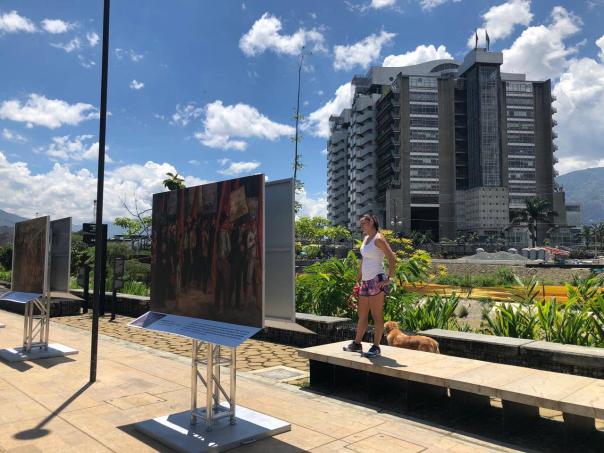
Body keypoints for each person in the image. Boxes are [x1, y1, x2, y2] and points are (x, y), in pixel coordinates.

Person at [343, 214, 397, 357]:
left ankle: (376, 347)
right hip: (365, 282)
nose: (361, 226)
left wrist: (389, 279)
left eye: (364, 223)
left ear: (372, 222)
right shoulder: (366, 238)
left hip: (376, 280)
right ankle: (357, 344)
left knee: (376, 315)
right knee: (362, 315)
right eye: (360, 224)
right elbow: (363, 260)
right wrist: (358, 280)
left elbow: (392, 258)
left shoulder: (379, 239)